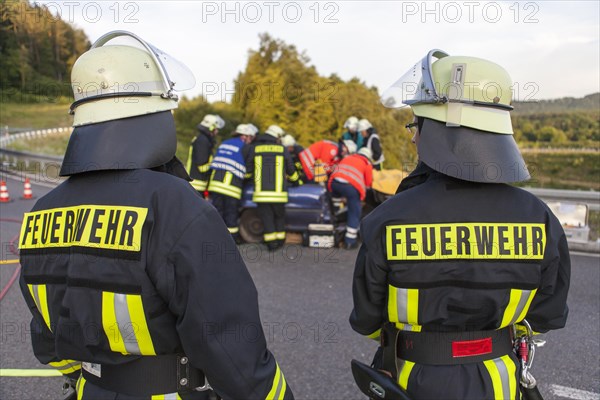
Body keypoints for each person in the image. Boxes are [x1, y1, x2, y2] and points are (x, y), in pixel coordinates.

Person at [18, 31, 293, 400]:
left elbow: (47, 335)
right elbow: (231, 350)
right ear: (155, 115)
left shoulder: (41, 213)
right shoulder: (176, 206)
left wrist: (92, 377)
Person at [350, 49, 570, 399]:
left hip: (410, 382)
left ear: (439, 128)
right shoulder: (540, 218)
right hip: (500, 382)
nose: (412, 136)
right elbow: (548, 315)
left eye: (415, 124)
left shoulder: (386, 219)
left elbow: (365, 319)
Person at [246, 125, 302, 251]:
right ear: (276, 137)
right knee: (279, 217)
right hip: (279, 194)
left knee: (267, 218)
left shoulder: (255, 149)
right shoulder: (282, 149)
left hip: (261, 194)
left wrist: (247, 179)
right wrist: (296, 181)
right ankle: (280, 241)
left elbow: (248, 170)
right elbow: (291, 169)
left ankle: (271, 244)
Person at [208, 123, 257, 243]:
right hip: (231, 188)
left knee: (217, 214)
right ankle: (231, 241)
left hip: (215, 185)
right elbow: (249, 172)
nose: (251, 141)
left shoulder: (224, 143)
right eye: (251, 138)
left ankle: (214, 238)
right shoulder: (247, 148)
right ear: (245, 136)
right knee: (231, 216)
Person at [328, 147, 373, 250]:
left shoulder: (348, 157)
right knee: (354, 212)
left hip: (334, 183)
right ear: (368, 157)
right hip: (351, 188)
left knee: (335, 205)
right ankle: (350, 242)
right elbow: (368, 183)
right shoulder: (367, 163)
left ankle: (336, 216)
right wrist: (363, 197)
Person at [187, 114, 225, 196]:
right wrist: (215, 166)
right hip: (197, 185)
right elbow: (202, 166)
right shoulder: (203, 141)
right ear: (211, 128)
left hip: (196, 185)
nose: (217, 132)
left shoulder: (202, 139)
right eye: (216, 129)